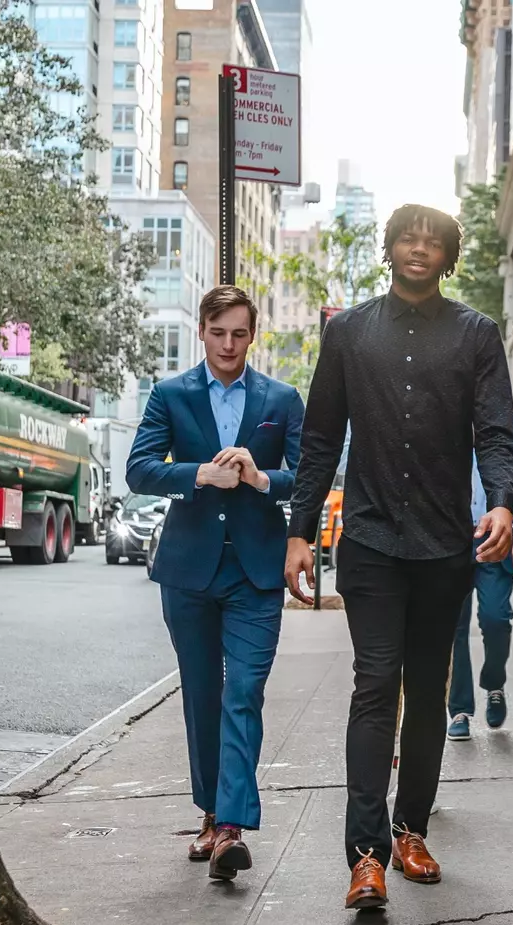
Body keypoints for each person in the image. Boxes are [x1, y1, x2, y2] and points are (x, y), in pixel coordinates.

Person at [286, 204, 513, 910]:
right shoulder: (349, 333)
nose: (420, 250)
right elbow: (321, 438)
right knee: (375, 684)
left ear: (448, 257)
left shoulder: (477, 335)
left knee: (426, 693)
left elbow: (496, 432)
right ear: (389, 251)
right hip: (372, 540)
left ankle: (411, 828)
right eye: (408, 239)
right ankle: (365, 855)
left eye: (434, 242)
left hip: (446, 543)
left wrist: (504, 501)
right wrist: (300, 532)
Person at [126, 284, 304, 882]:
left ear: (253, 336)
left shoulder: (281, 398)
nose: (229, 344)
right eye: (218, 332)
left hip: (255, 572)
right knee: (203, 695)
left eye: (240, 333)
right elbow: (139, 468)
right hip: (188, 572)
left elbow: (306, 478)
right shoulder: (170, 394)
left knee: (244, 691)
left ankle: (230, 827)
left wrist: (260, 479)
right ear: (202, 332)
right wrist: (196, 474)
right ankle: (209, 813)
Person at [447, 412, 513, 740]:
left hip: (494, 539)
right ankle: (459, 709)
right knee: (453, 626)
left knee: (496, 618)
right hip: (451, 536)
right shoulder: (443, 416)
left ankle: (494, 683)